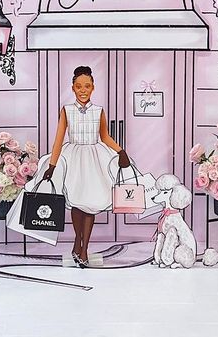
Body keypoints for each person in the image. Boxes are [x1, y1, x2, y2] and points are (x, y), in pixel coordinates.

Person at [8, 65, 129, 267]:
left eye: (87, 86)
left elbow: (105, 136)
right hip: (72, 158)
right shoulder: (67, 110)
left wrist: (120, 151)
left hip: (93, 158)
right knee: (75, 201)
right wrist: (52, 165)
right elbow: (58, 139)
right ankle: (76, 241)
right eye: (79, 86)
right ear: (72, 88)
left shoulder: (99, 111)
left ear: (93, 88)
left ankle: (84, 248)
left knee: (90, 203)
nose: (83, 90)